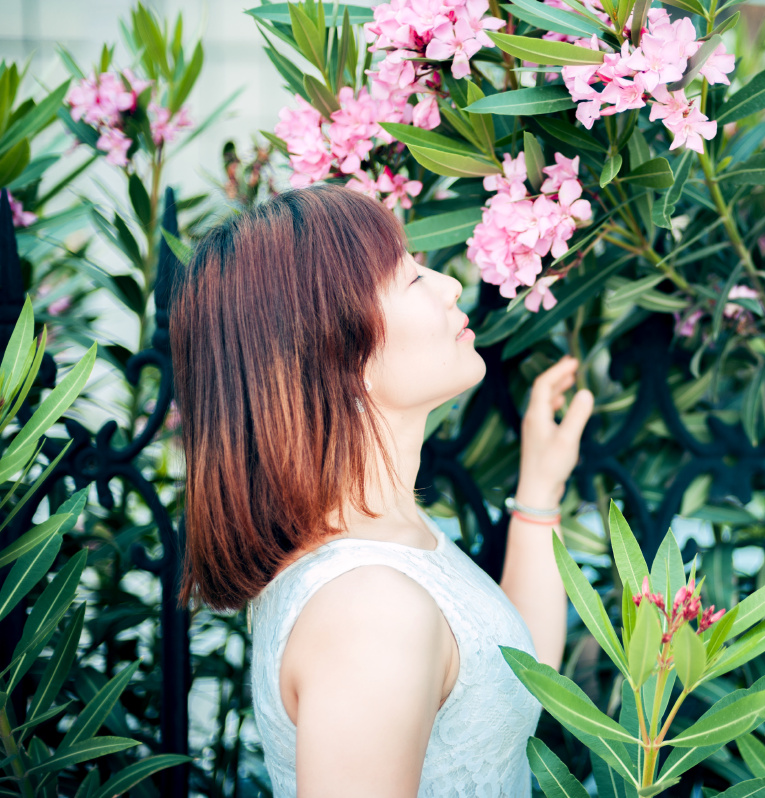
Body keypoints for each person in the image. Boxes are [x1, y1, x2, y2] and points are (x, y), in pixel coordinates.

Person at [169, 183, 594, 797]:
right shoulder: (369, 612)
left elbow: (514, 681)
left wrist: (539, 491)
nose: (450, 286)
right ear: (339, 353)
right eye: (411, 276)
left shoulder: (383, 544)